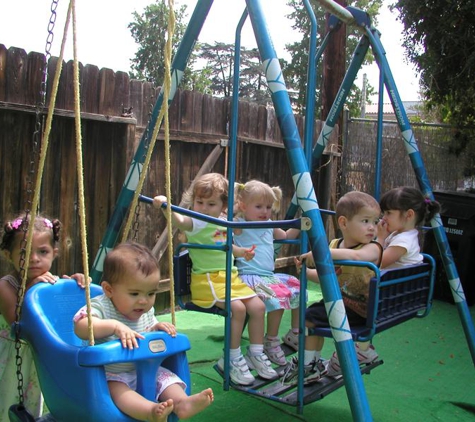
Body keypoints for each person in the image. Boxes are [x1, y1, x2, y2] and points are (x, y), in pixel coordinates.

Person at [153, 173, 278, 386]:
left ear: (222, 205)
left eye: (211, 203)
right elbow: (180, 221)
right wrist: (166, 206)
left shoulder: (222, 221)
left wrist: (241, 252)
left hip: (230, 278)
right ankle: (231, 358)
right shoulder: (197, 222)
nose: (203, 207)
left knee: (257, 306)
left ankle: (255, 354)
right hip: (208, 281)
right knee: (238, 309)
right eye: (199, 202)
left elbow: (226, 246)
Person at [73, 242, 214, 422]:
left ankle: (182, 403)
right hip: (110, 374)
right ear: (109, 290)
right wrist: (114, 326)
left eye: (150, 293)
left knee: (166, 378)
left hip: (143, 369)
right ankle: (150, 411)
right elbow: (81, 326)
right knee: (118, 391)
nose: (144, 301)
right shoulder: (101, 306)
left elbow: (147, 332)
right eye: (134, 294)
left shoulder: (145, 311)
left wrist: (157, 328)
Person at [282, 191, 383, 385]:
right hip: (341, 303)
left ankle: (307, 365)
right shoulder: (335, 245)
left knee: (310, 317)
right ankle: (311, 362)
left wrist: (320, 251)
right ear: (344, 223)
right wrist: (305, 271)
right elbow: (326, 277)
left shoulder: (372, 248)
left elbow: (356, 258)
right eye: (365, 221)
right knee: (310, 317)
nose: (372, 227)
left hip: (360, 310)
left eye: (375, 221)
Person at [0, 213, 87, 420]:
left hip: (43, 357)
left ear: (54, 253)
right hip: (14, 359)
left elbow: (69, 311)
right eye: (24, 252)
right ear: (6, 254)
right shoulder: (6, 286)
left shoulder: (51, 283)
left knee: (40, 404)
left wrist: (74, 286)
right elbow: (18, 323)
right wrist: (34, 286)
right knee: (9, 403)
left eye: (43, 251)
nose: (34, 259)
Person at [233, 180, 301, 366]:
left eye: (268, 207)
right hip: (249, 276)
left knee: (297, 285)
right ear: (243, 206)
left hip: (268, 276)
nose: (265, 211)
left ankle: (295, 332)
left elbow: (286, 236)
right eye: (259, 206)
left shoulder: (270, 224)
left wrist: (303, 223)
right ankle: (271, 341)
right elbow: (227, 230)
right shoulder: (239, 224)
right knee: (277, 297)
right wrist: (233, 210)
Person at [377, 186, 441, 269]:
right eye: (384, 213)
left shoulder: (403, 240)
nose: (384, 218)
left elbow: (378, 263)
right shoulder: (401, 235)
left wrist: (380, 238)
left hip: (394, 281)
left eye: (388, 213)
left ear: (409, 215)